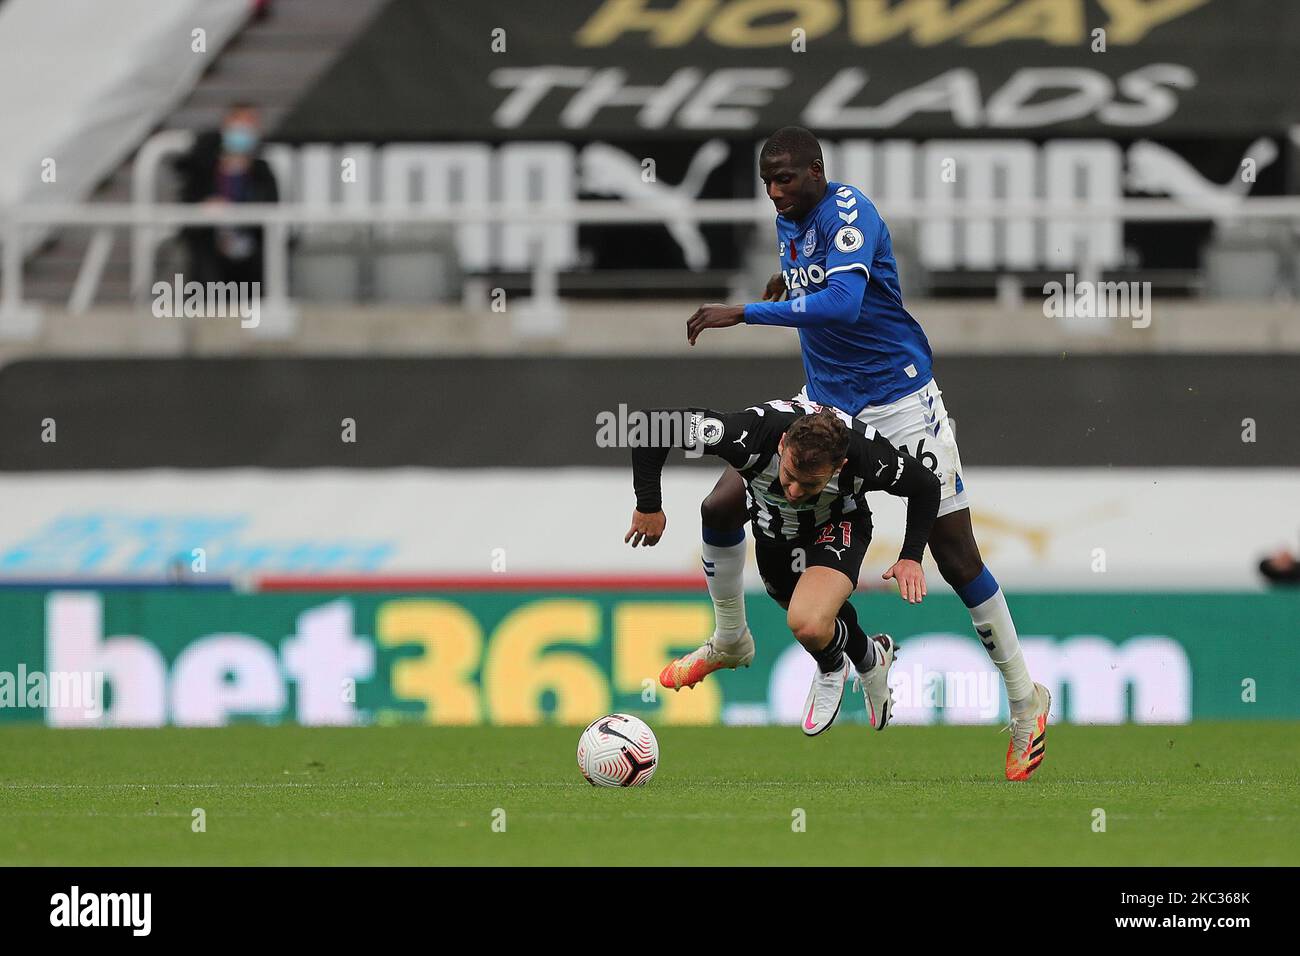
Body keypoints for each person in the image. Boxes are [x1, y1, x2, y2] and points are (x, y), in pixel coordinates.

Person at [670, 126, 1050, 780]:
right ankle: (734, 638)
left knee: (956, 554)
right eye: (767, 181)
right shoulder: (792, 220)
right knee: (725, 500)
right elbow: (811, 285)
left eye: (787, 179)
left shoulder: (850, 212)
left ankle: (1024, 699)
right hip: (827, 401)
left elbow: (844, 304)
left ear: (817, 171)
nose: (775, 192)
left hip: (899, 399)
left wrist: (745, 313)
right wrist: (777, 291)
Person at [626, 402, 939, 735]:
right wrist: (648, 504)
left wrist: (910, 556)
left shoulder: (868, 456)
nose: (793, 492)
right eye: (789, 476)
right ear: (782, 444)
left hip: (835, 526)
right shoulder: (746, 434)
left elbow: (926, 486)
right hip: (771, 532)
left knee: (809, 625)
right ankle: (868, 658)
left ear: (839, 466)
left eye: (809, 485)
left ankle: (831, 668)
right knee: (717, 509)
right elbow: (653, 425)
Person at [174, 102, 278, 286]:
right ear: (226, 125)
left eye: (250, 123)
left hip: (251, 261)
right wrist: (204, 210)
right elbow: (186, 211)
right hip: (210, 257)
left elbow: (273, 213)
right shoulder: (202, 170)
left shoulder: (263, 173)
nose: (244, 129)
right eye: (239, 122)